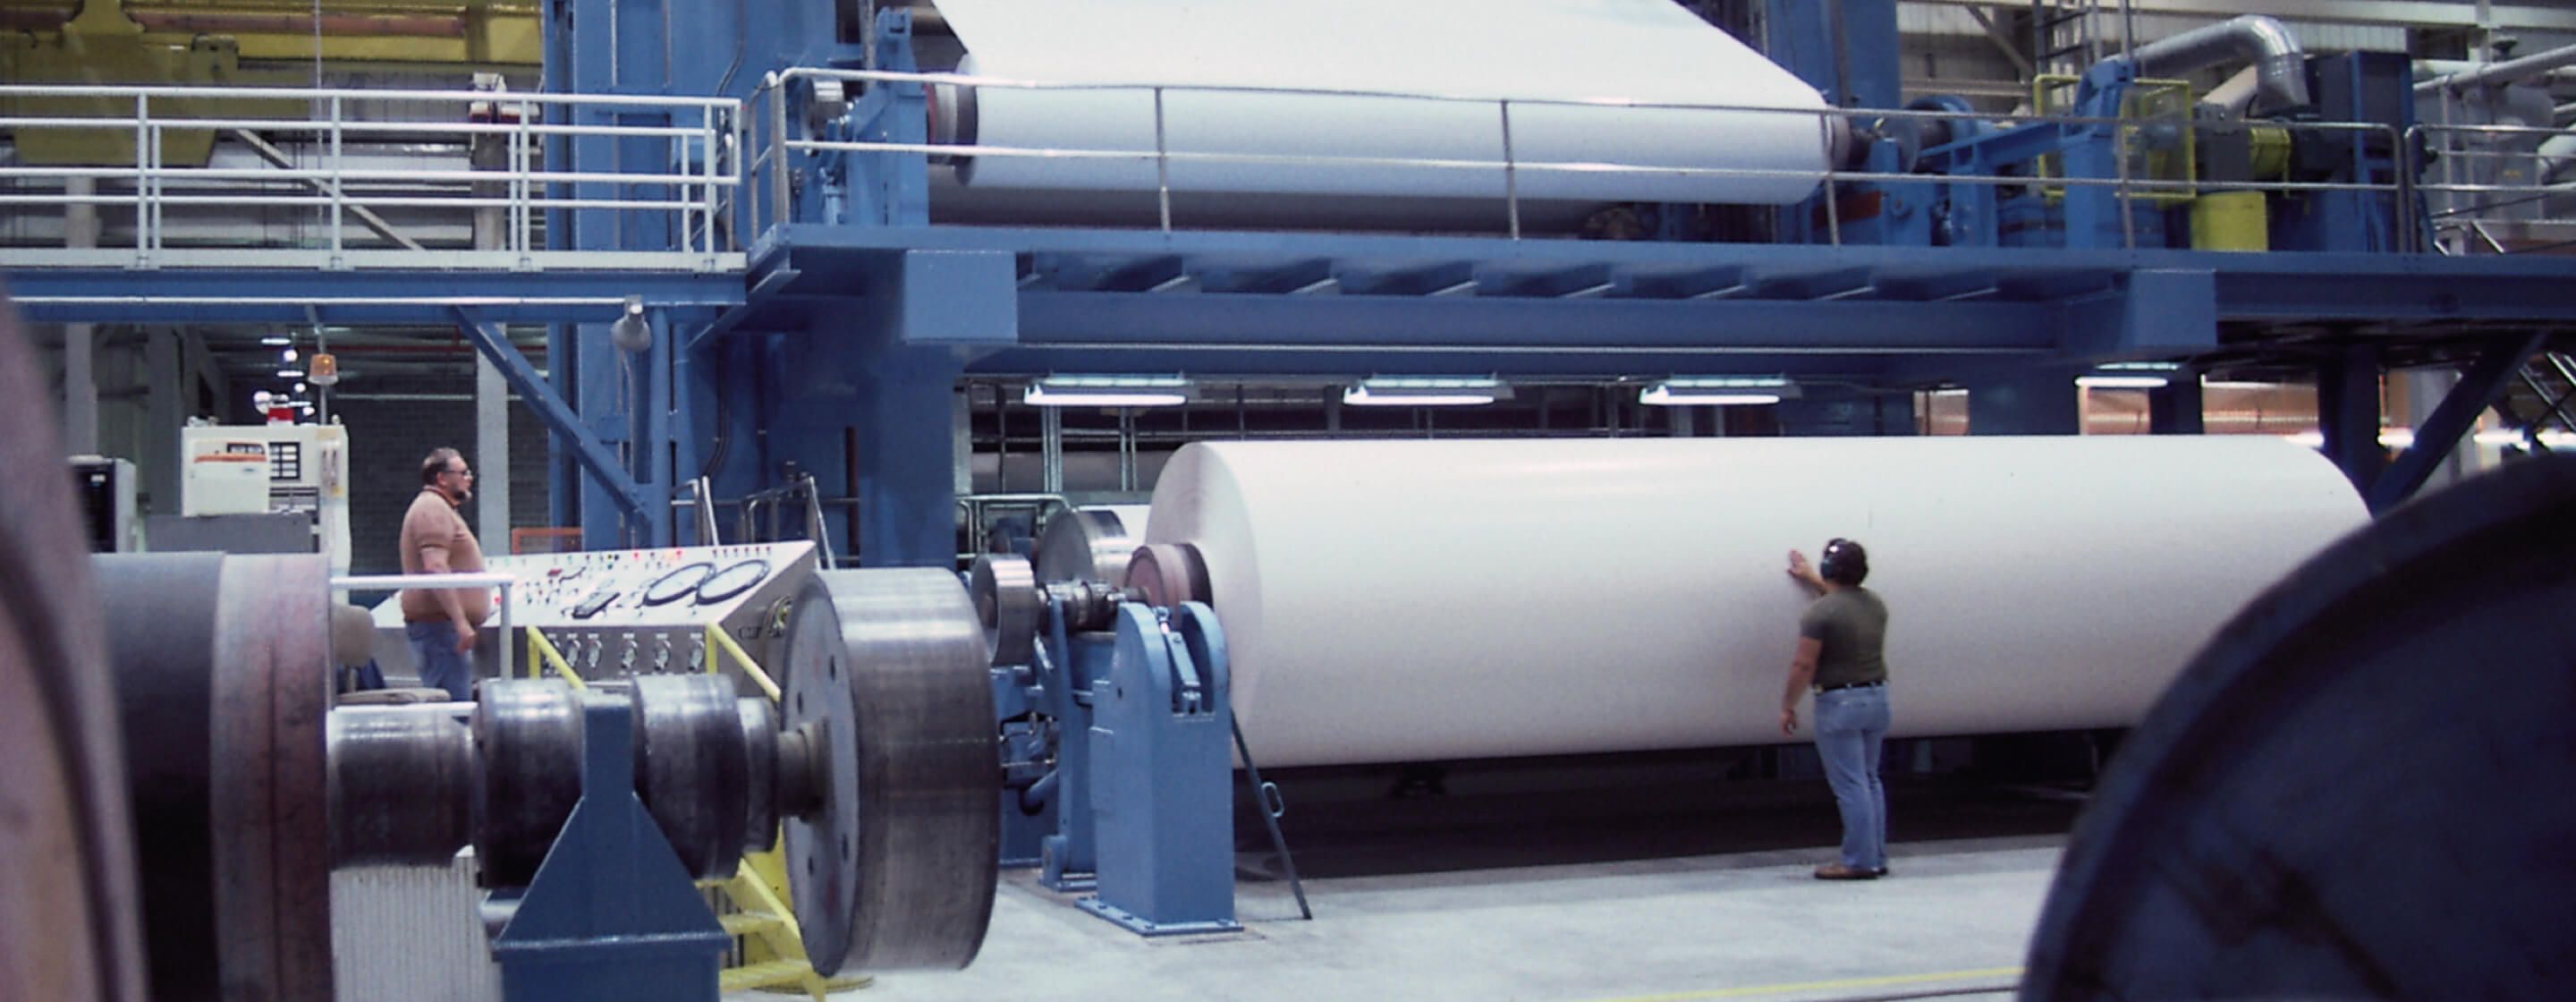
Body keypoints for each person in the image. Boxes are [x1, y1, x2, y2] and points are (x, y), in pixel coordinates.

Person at [1781, 538, 1891, 880]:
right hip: (1877, 699)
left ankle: (1858, 862)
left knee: (1850, 785)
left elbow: (1803, 665)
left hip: (1839, 703)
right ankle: (1875, 856)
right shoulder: (1874, 604)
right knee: (1869, 781)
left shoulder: (1820, 613)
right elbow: (1841, 606)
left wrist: (1788, 705)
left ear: (1830, 570)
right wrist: (1813, 580)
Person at [401, 447, 490, 701]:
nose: (469, 478)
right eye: (463, 473)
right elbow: (436, 568)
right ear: (441, 478)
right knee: (452, 712)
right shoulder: (432, 509)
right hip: (440, 630)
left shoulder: (440, 508)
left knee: (456, 707)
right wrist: (460, 623)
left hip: (443, 628)